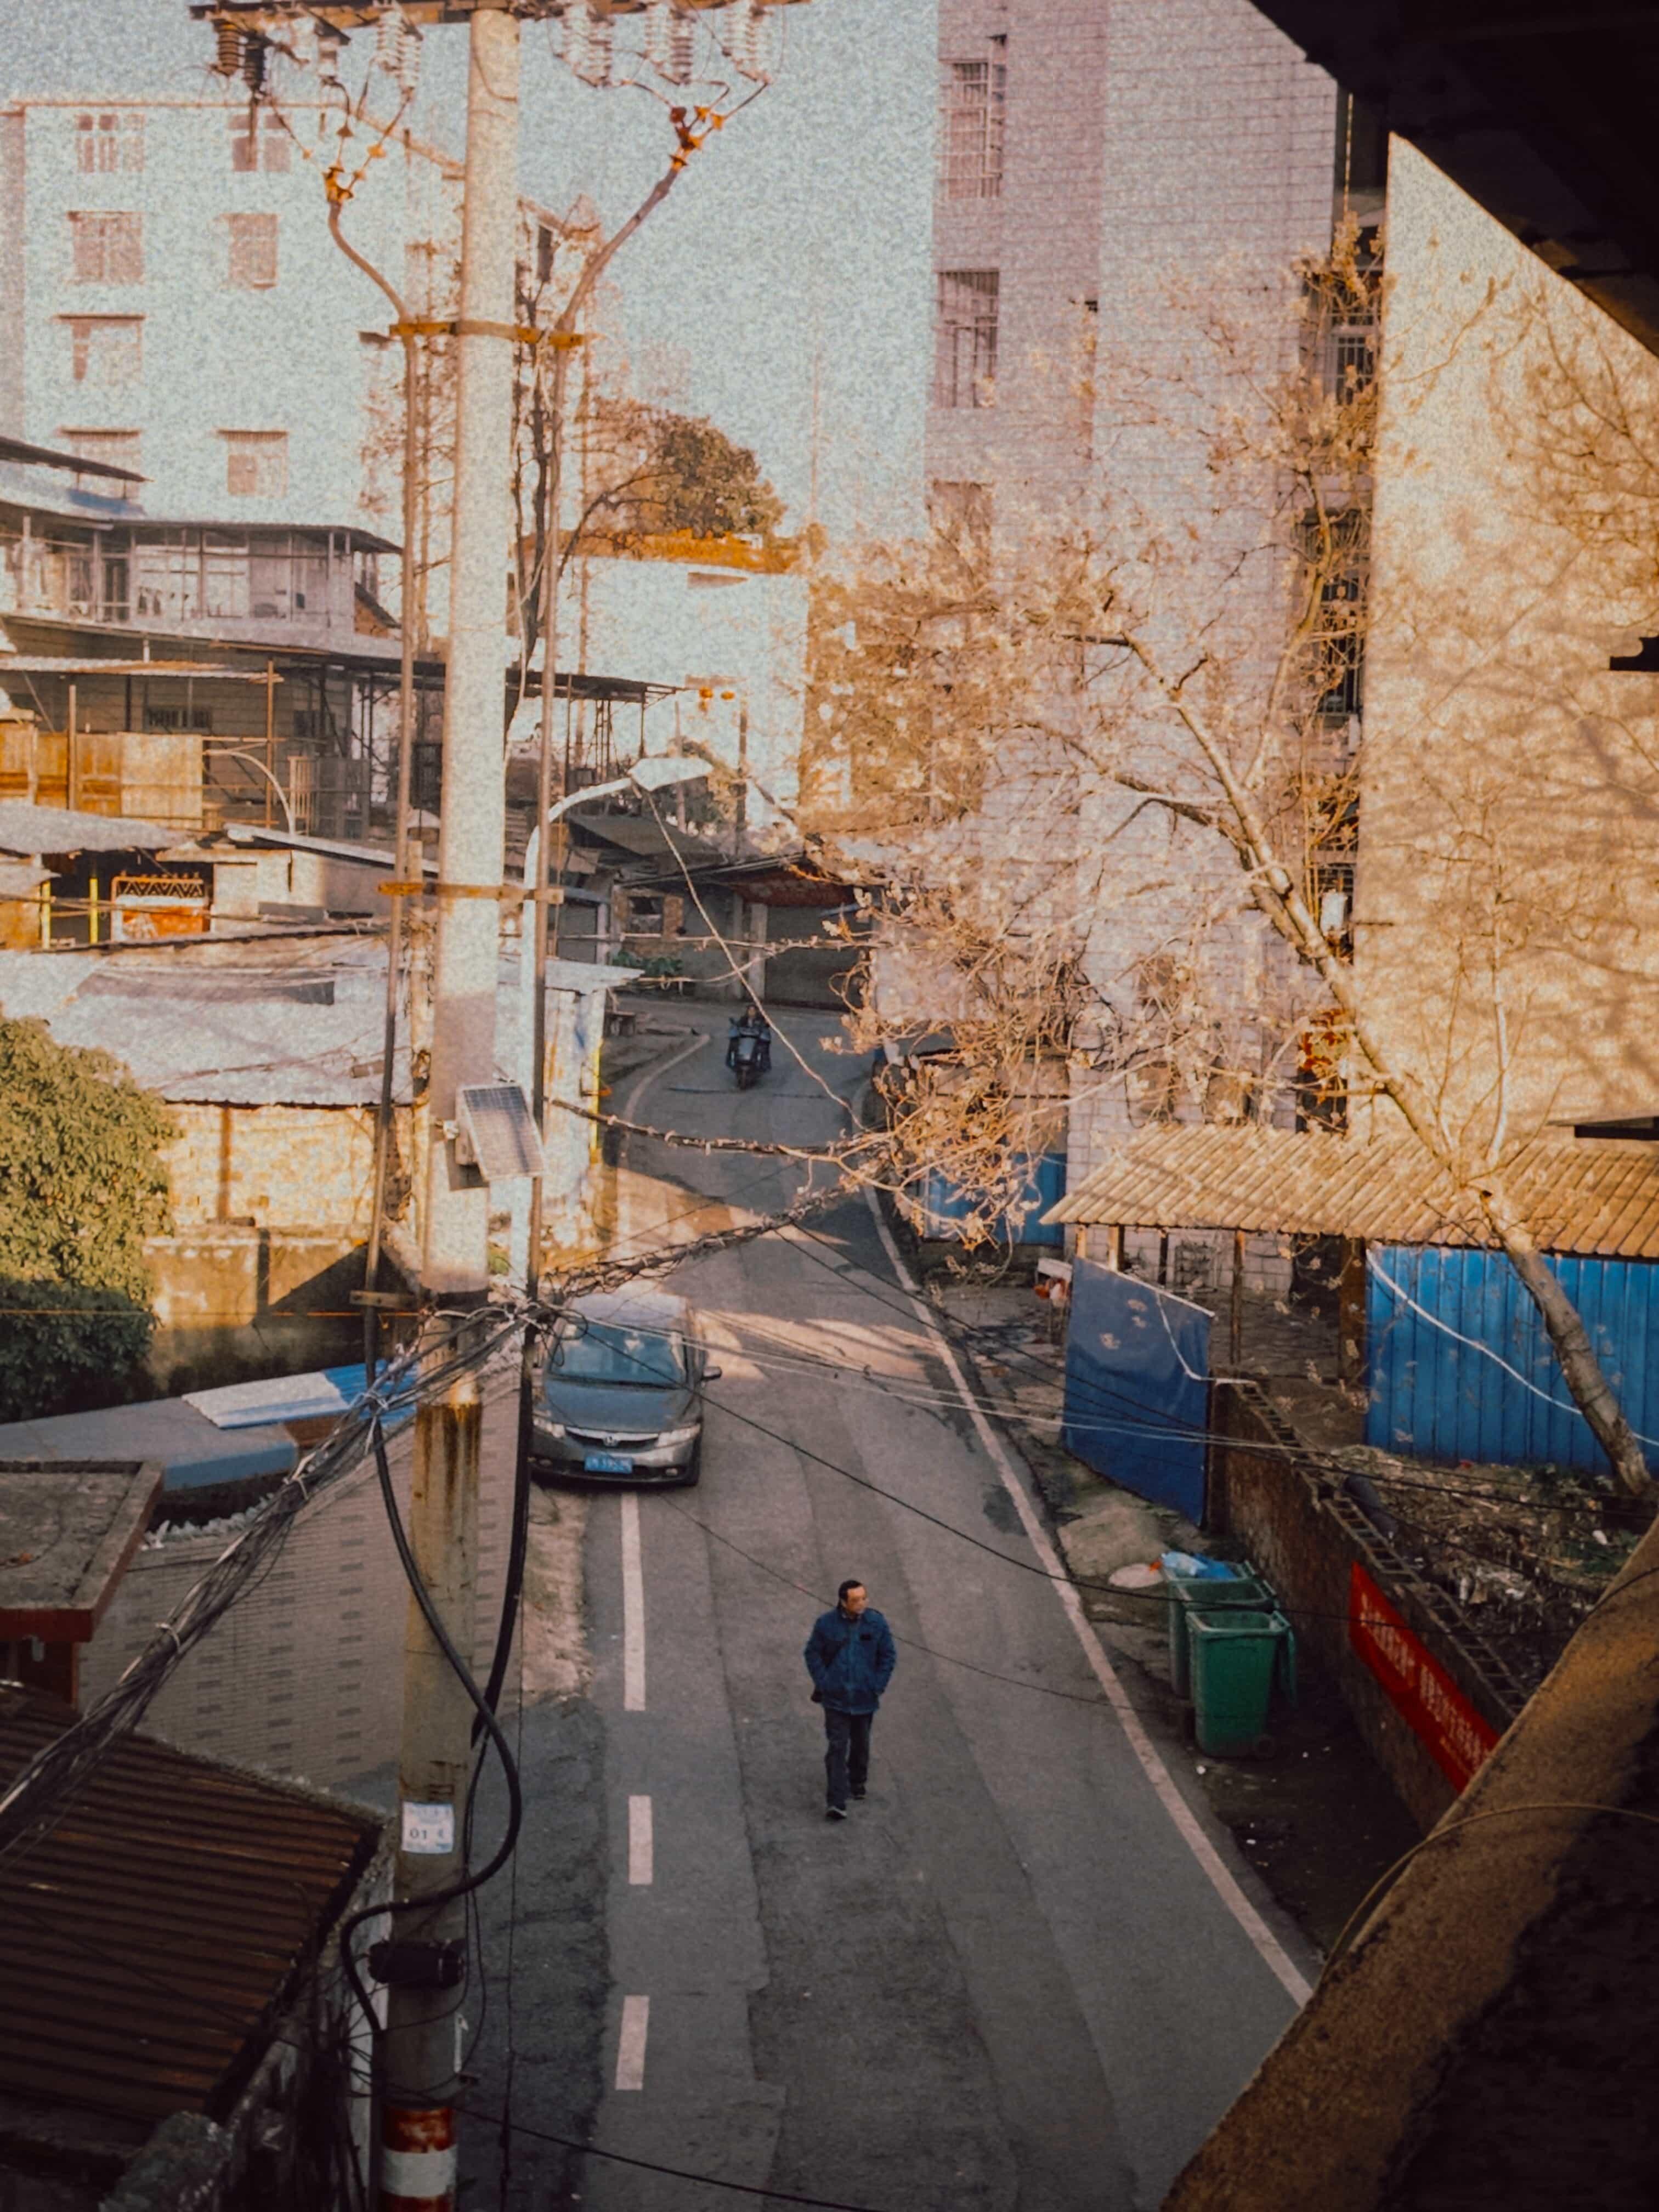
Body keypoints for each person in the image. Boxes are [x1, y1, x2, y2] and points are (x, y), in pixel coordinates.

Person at [803, 1579, 897, 1819]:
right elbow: (812, 1653)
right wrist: (825, 1683)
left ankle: (857, 1781)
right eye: (856, 1600)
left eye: (864, 1598)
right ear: (843, 1602)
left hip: (865, 1699)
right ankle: (836, 1800)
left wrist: (877, 1686)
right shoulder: (826, 1625)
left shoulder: (876, 1623)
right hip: (836, 1700)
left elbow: (888, 1656)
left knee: (861, 1745)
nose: (862, 1603)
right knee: (837, 1747)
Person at [726, 1002, 772, 1074]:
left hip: (756, 1040)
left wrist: (766, 1025)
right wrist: (736, 1026)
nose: (751, 1012)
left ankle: (762, 1065)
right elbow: (738, 1024)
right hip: (745, 1040)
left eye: (753, 1011)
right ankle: (733, 1061)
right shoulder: (744, 1019)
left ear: (756, 1011)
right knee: (733, 1045)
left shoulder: (760, 1019)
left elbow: (766, 1026)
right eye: (750, 1010)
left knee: (763, 1048)